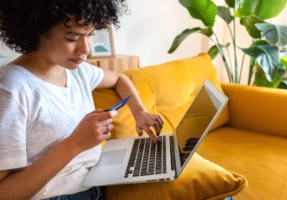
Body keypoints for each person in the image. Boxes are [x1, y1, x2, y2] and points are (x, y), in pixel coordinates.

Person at [0, 1, 164, 199]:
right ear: (35, 31)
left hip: (94, 185)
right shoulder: (12, 89)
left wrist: (140, 112)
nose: (85, 49)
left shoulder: (78, 72)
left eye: (90, 35)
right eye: (72, 38)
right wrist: (75, 143)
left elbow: (120, 79)